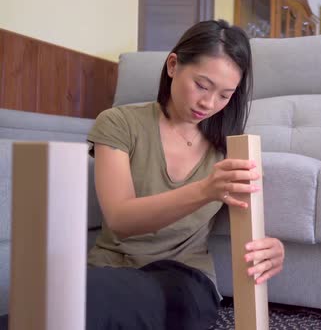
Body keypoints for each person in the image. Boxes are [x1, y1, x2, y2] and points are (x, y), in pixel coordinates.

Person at [0, 19, 285, 330]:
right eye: (202, 85)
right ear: (173, 65)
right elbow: (121, 220)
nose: (209, 103)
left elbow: (250, 223)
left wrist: (273, 247)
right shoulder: (119, 123)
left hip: (185, 278)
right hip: (112, 270)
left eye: (225, 95)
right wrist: (205, 189)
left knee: (70, 306)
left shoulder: (231, 146)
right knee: (58, 301)